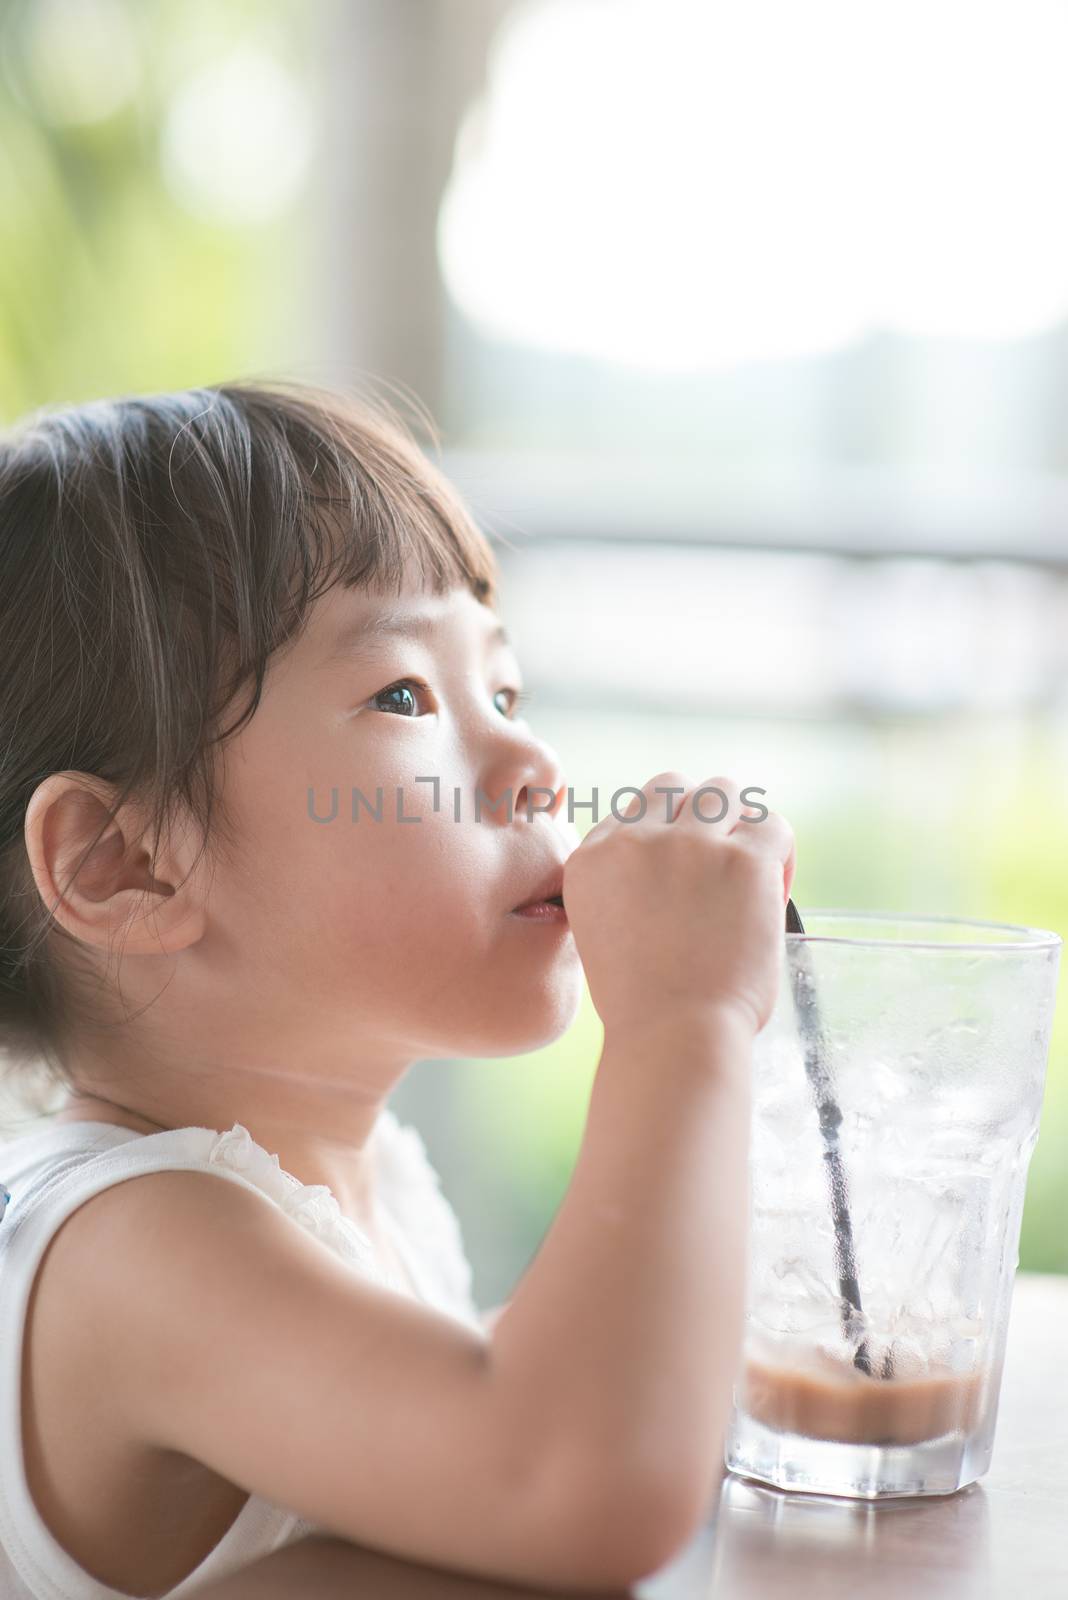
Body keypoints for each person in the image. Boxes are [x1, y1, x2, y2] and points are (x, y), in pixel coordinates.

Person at [0, 380, 795, 1598]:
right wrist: (683, 1022)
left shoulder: (368, 1184)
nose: (534, 764)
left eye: (506, 692)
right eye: (404, 697)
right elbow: (579, 1479)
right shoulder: (136, 1248)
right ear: (127, 866)